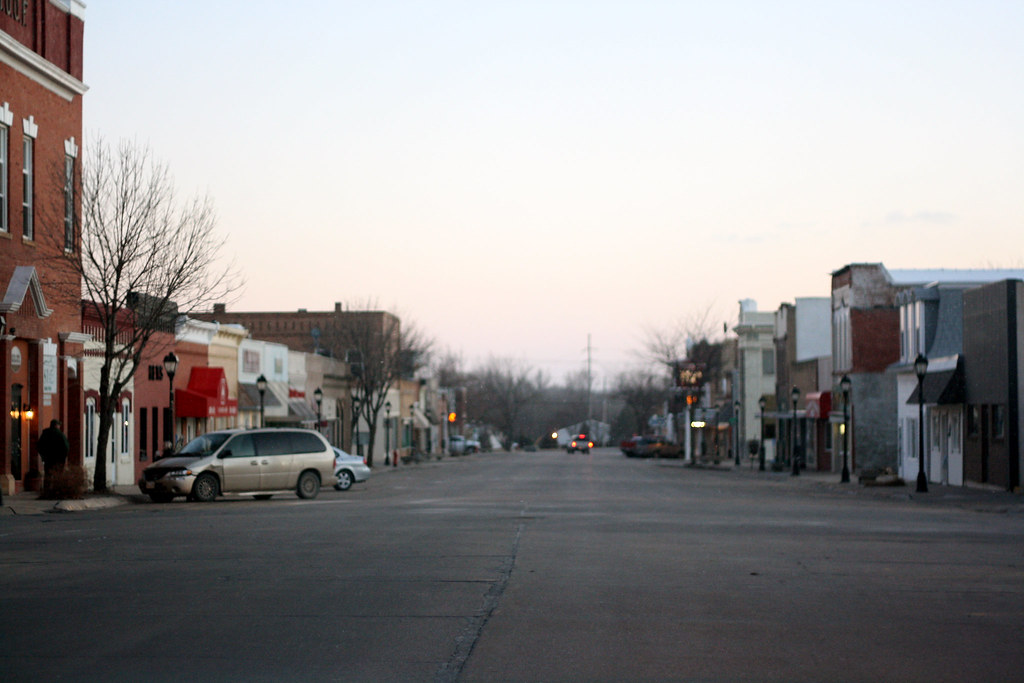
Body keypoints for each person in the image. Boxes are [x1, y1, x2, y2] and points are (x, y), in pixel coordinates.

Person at [39, 419, 70, 496]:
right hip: (58, 459)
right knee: (58, 475)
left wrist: (43, 456)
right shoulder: (60, 435)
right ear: (56, 425)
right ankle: (57, 491)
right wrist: (64, 457)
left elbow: (39, 446)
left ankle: (46, 492)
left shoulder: (45, 433)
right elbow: (66, 447)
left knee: (48, 475)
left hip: (48, 459)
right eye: (59, 425)